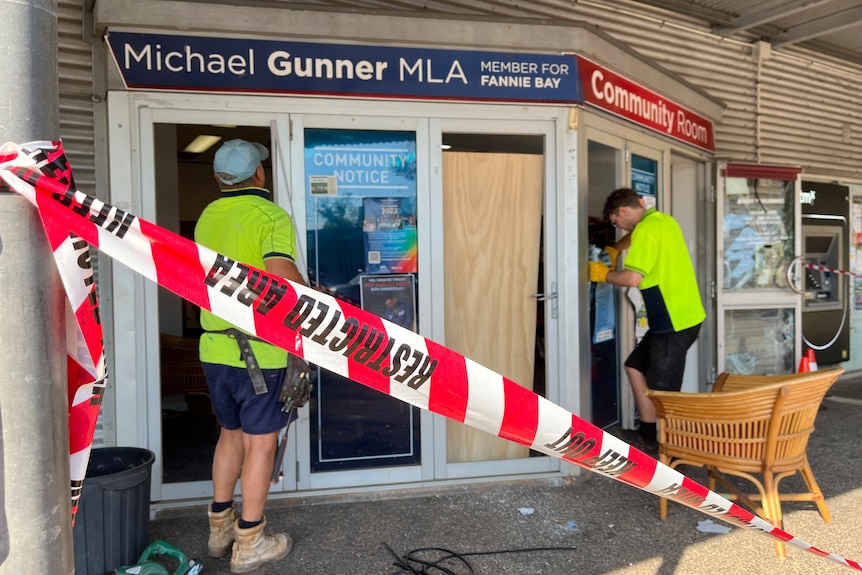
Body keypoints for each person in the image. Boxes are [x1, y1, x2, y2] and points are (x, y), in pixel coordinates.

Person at [195, 139, 306, 573]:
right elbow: (278, 271)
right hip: (259, 351)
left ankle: (219, 529)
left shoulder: (208, 215)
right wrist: (314, 297)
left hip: (215, 346)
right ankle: (251, 541)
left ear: (220, 178)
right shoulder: (270, 216)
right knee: (261, 443)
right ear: (259, 175)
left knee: (229, 434)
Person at [589, 187, 705, 450]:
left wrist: (601, 274)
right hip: (685, 317)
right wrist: (615, 249)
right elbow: (634, 236)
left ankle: (672, 454)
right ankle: (648, 435)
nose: (616, 226)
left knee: (664, 392)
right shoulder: (662, 220)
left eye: (615, 221)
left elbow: (631, 279)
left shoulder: (645, 231)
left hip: (671, 323)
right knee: (635, 367)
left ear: (623, 211)